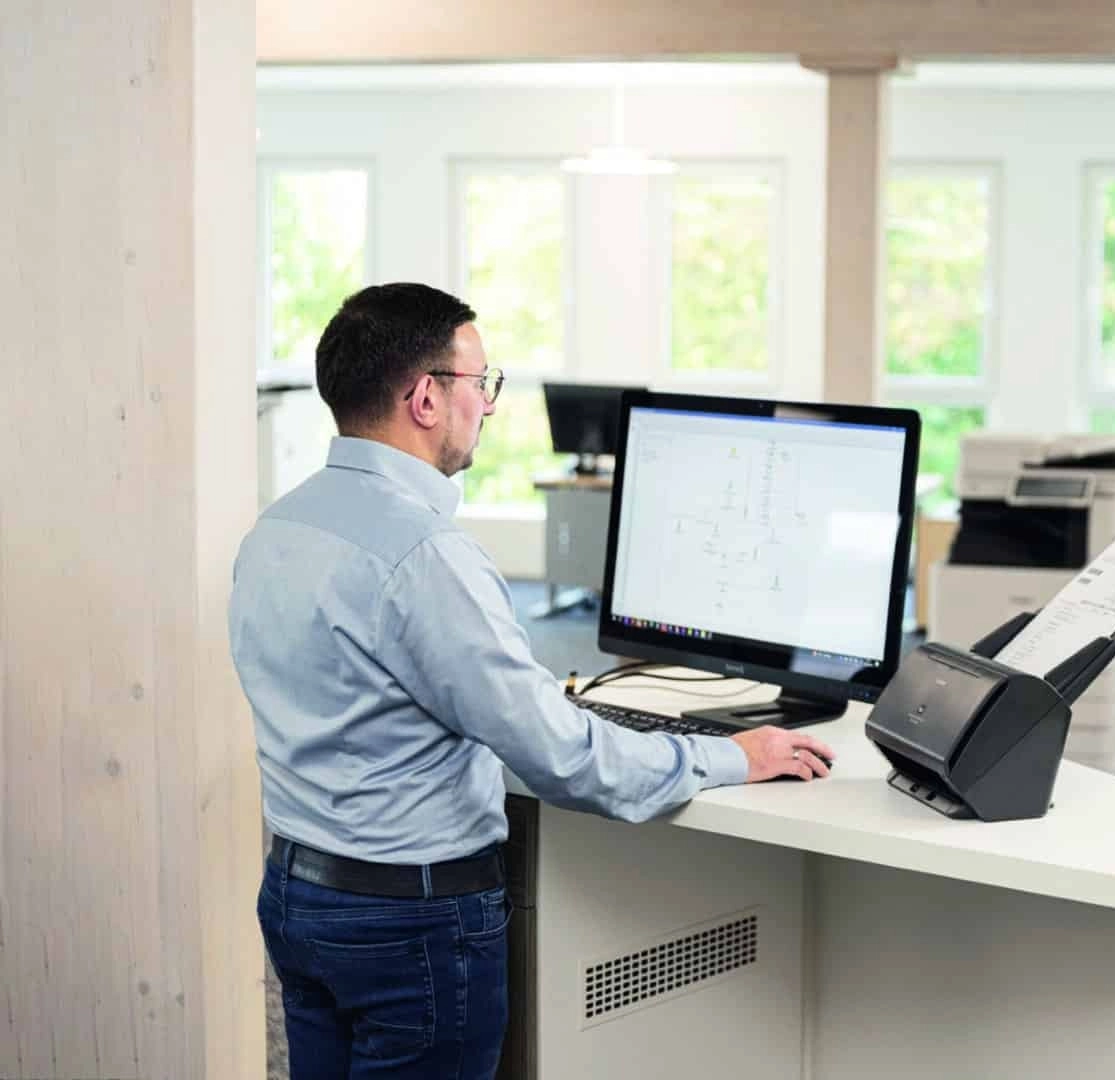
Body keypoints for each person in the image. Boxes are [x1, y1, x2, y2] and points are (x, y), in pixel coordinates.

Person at [232, 283, 834, 1080]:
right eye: (482, 383)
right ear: (424, 397)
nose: (489, 405)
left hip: (297, 892)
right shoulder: (425, 556)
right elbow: (562, 757)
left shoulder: (280, 524)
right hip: (408, 921)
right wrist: (733, 757)